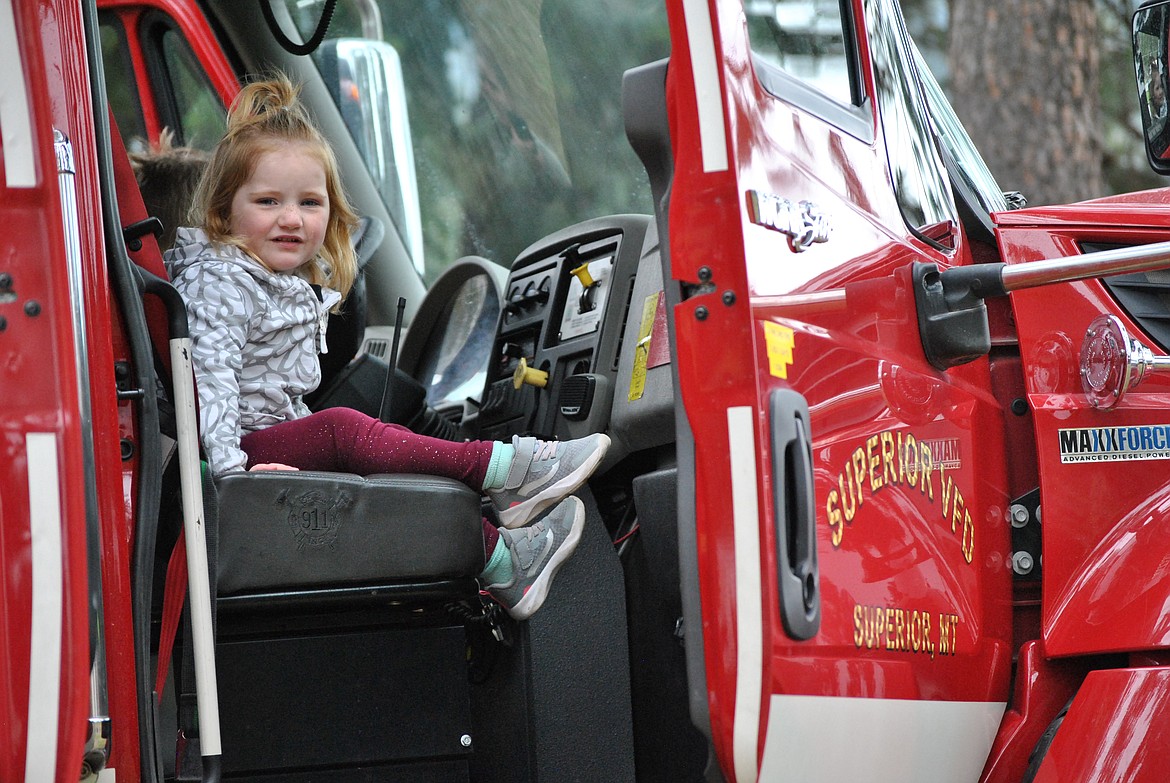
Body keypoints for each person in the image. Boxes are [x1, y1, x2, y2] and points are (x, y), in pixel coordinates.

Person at [165, 74, 609, 620]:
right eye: (267, 201)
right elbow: (207, 386)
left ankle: (504, 562)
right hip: (224, 465)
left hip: (252, 447)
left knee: (378, 448)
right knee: (344, 430)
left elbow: (274, 398)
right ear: (223, 210)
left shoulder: (272, 281)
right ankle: (506, 470)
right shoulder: (219, 283)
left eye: (310, 202)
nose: (291, 218)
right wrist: (233, 475)